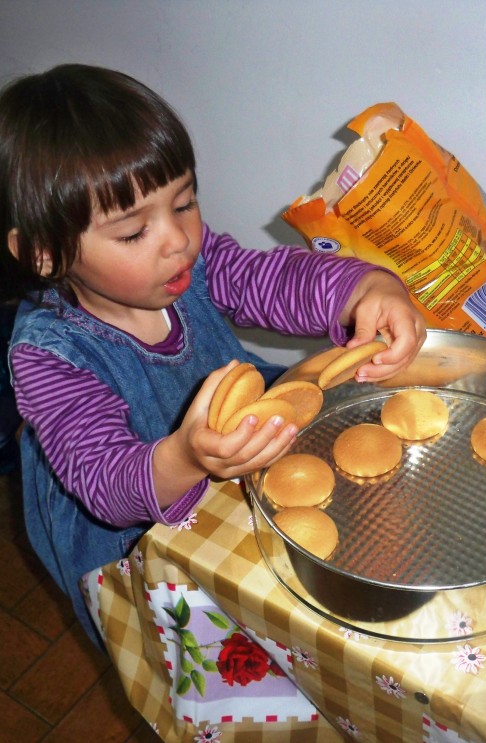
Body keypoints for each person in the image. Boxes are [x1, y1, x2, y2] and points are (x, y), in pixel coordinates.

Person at [0, 64, 425, 646]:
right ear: (45, 255)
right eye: (132, 233)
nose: (177, 240)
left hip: (238, 460)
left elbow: (268, 279)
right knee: (201, 644)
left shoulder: (187, 265)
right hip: (140, 523)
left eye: (184, 202)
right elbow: (103, 479)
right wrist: (185, 458)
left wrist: (362, 289)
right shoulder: (50, 356)